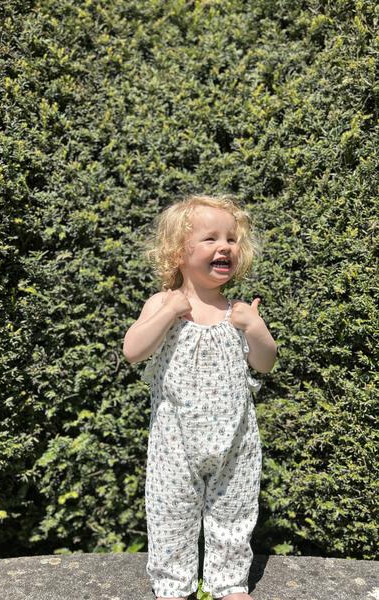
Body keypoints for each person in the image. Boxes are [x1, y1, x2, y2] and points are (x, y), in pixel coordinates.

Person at [123, 194, 277, 600]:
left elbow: (265, 363)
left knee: (235, 514)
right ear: (178, 252)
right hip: (175, 443)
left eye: (231, 238)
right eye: (210, 238)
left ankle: (229, 584)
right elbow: (133, 350)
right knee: (171, 517)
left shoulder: (237, 312)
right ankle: (174, 587)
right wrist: (166, 311)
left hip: (236, 442)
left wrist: (256, 327)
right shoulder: (164, 303)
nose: (224, 246)